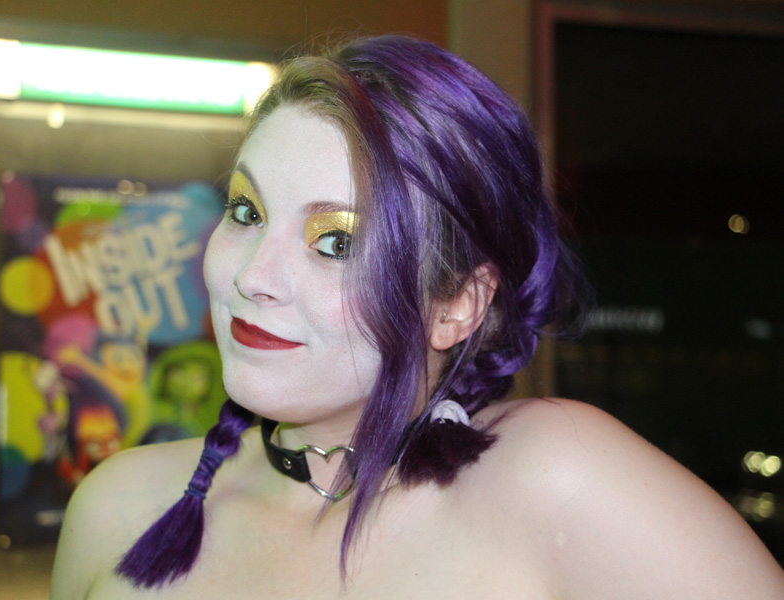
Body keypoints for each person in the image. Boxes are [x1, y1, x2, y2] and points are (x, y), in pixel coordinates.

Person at [50, 35, 784, 599]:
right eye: (246, 212)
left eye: (335, 242)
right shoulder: (120, 506)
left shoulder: (550, 479)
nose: (251, 277)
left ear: (457, 303)